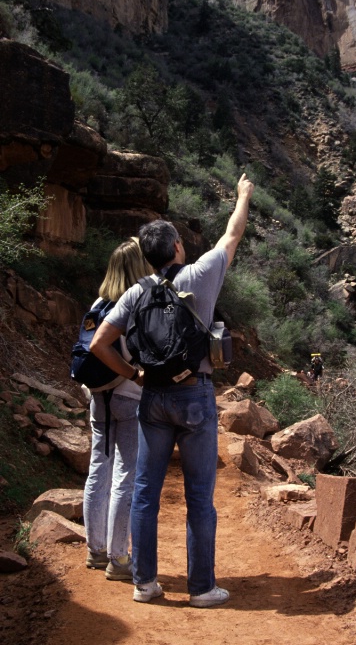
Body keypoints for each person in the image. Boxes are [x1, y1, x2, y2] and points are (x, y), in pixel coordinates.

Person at [91, 173, 254, 605]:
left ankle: (144, 584)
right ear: (178, 247)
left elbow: (98, 344)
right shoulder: (200, 276)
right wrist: (243, 196)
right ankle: (202, 588)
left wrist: (133, 375)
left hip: (153, 399)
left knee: (145, 494)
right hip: (195, 396)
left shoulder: (134, 294)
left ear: (146, 258)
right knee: (199, 497)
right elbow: (232, 233)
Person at [83, 237, 151, 580]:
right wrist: (135, 375)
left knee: (99, 468)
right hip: (127, 396)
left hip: (98, 397)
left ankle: (95, 550)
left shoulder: (99, 302)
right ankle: (118, 558)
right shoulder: (133, 303)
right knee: (125, 475)